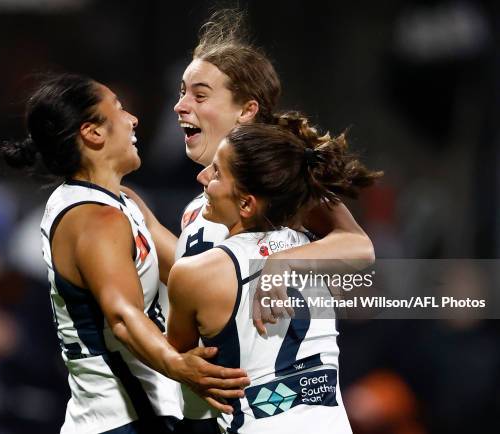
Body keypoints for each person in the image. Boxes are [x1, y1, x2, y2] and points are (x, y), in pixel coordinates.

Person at [121, 9, 376, 430]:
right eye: (182, 92)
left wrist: (283, 264)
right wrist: (146, 222)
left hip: (265, 412)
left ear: (246, 109)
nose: (180, 104)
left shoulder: (282, 183)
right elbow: (198, 276)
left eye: (199, 95)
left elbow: (359, 247)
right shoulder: (200, 208)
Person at [0, 73, 249, 434]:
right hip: (119, 422)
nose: (132, 119)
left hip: (143, 415)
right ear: (93, 132)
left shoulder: (123, 203)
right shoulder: (93, 218)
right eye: (118, 109)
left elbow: (189, 274)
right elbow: (122, 315)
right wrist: (178, 364)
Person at [167, 115, 382, 433]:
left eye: (216, 173)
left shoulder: (195, 274)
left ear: (246, 203)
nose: (202, 177)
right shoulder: (320, 250)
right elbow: (361, 246)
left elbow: (174, 354)